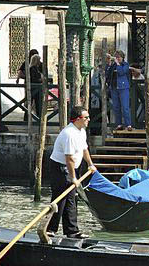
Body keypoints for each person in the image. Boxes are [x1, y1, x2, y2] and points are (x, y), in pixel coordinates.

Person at [45, 106, 98, 239]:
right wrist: (73, 177)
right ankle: (50, 229)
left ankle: (71, 231)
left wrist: (90, 164)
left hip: (70, 168)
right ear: (78, 119)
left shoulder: (81, 131)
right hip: (60, 168)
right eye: (86, 117)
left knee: (71, 199)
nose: (88, 120)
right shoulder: (69, 134)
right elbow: (69, 159)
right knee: (60, 199)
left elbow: (84, 149)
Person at [105, 50, 132, 130]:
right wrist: (109, 63)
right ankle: (119, 124)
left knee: (125, 107)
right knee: (116, 107)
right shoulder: (113, 65)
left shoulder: (126, 65)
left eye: (119, 57)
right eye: (116, 57)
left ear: (122, 57)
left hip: (123, 88)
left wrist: (117, 64)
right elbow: (108, 73)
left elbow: (121, 72)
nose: (117, 58)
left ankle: (128, 124)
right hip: (114, 88)